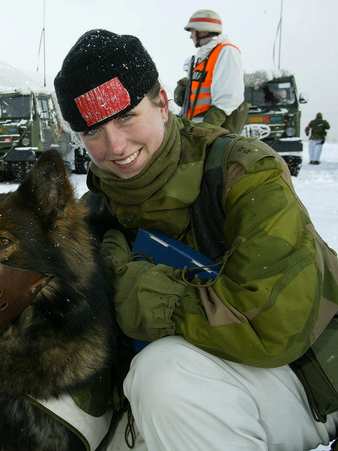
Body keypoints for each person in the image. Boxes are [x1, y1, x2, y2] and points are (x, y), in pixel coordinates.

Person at [54, 29, 338, 450]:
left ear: (163, 105)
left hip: (307, 379)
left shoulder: (242, 171)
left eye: (126, 117)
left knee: (162, 376)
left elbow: (273, 326)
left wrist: (130, 290)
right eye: (93, 131)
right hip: (197, 388)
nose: (114, 145)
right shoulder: (96, 209)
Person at [174, 9, 249, 134]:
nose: (190, 36)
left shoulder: (227, 52)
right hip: (195, 123)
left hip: (214, 127)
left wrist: (207, 129)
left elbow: (229, 96)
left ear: (203, 30)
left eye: (192, 31)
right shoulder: (202, 57)